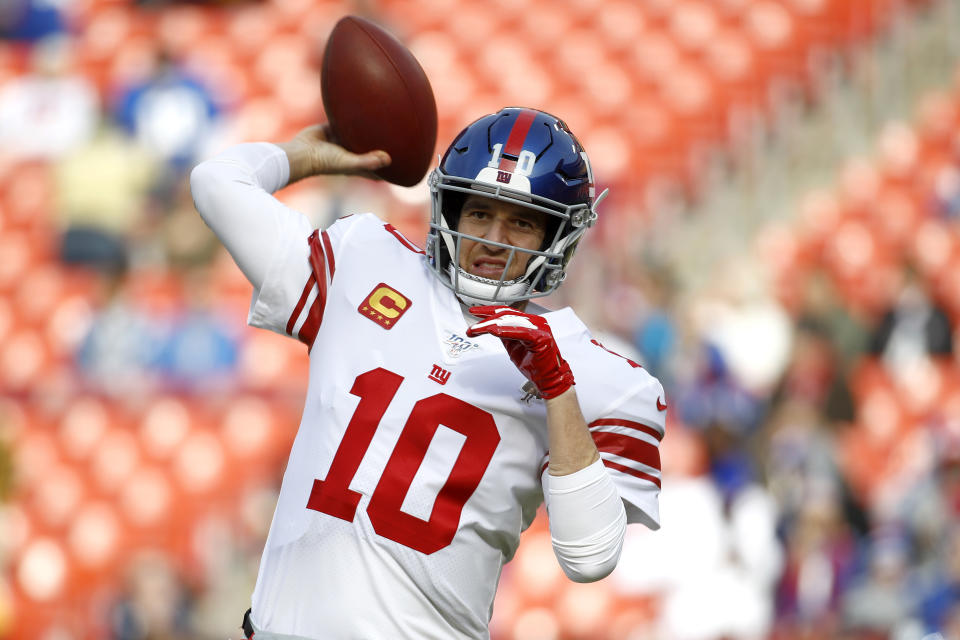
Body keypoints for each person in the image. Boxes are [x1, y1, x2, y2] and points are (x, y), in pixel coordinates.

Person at [190, 107, 666, 640]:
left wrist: (558, 389)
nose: (493, 237)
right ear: (450, 209)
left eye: (522, 221)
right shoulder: (365, 261)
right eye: (480, 212)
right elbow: (216, 183)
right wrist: (303, 159)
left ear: (559, 236)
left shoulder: (602, 376)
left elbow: (591, 557)